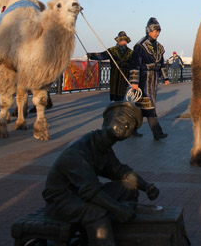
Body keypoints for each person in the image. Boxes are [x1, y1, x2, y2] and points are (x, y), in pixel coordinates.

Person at [42, 101, 159, 245]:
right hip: (61, 201)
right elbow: (90, 191)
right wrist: (118, 208)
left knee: (128, 188)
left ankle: (113, 233)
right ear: (107, 119)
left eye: (130, 126)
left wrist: (146, 186)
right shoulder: (78, 151)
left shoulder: (103, 148)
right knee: (96, 212)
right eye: (121, 120)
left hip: (80, 194)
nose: (125, 126)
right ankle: (102, 239)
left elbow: (121, 172)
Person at [129, 18, 170, 140]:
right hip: (143, 80)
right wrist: (134, 82)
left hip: (153, 80)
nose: (157, 33)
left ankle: (132, 129)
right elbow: (135, 65)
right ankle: (157, 133)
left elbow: (162, 64)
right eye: (155, 31)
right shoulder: (140, 46)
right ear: (149, 31)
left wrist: (165, 77)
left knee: (143, 109)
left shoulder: (159, 47)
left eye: (158, 31)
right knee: (149, 106)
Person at [87, 31, 134, 102]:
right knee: (114, 94)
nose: (124, 42)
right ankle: (113, 105)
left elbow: (134, 63)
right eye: (122, 40)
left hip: (124, 76)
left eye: (125, 40)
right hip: (114, 75)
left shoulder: (130, 52)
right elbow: (102, 56)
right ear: (118, 41)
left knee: (121, 94)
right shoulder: (112, 50)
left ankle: (120, 105)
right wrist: (92, 55)